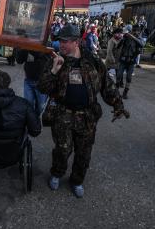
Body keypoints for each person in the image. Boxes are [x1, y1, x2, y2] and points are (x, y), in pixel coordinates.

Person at [38, 24, 129, 198]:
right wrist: (54, 70)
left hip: (87, 115)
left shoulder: (92, 60)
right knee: (62, 149)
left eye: (66, 41)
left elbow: (106, 85)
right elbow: (43, 87)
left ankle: (77, 180)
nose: (62, 45)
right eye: (60, 41)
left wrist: (117, 104)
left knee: (84, 152)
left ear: (77, 42)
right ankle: (57, 173)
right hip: (63, 113)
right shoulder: (55, 60)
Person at [16, 49, 50, 117]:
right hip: (29, 81)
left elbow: (45, 58)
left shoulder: (46, 45)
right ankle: (32, 122)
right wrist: (21, 49)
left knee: (41, 108)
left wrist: (34, 48)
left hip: (42, 83)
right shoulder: (26, 46)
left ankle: (35, 119)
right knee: (28, 106)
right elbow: (19, 60)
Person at [116, 25, 144, 99]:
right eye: (134, 31)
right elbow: (118, 46)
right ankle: (116, 91)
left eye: (137, 31)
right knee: (118, 75)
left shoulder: (138, 38)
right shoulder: (127, 37)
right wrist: (123, 38)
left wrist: (133, 38)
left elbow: (142, 44)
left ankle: (125, 93)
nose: (135, 32)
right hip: (123, 60)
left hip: (131, 61)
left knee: (128, 77)